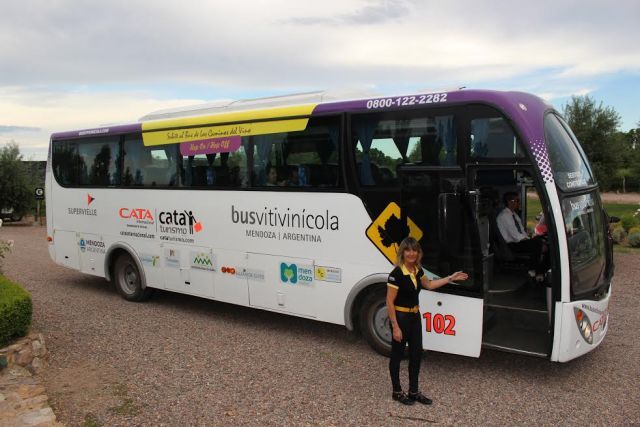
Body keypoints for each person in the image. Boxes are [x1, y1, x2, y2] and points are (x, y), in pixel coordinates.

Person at [386, 237, 468, 405]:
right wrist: (395, 326)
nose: (411, 253)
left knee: (416, 355)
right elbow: (389, 301)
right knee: (397, 356)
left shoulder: (418, 270)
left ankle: (413, 391)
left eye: (414, 250)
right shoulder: (396, 274)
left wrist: (450, 278)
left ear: (418, 253)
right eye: (408, 250)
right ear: (402, 252)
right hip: (401, 318)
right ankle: (397, 391)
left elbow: (429, 285)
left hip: (415, 317)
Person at [496, 192, 548, 280]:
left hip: (518, 242)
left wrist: (531, 239)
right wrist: (532, 241)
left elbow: (522, 232)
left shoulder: (514, 215)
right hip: (511, 245)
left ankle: (541, 270)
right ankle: (535, 271)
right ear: (510, 202)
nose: (519, 203)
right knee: (537, 243)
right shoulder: (504, 216)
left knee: (542, 239)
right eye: (517, 201)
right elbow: (515, 235)